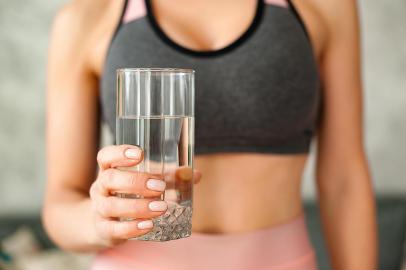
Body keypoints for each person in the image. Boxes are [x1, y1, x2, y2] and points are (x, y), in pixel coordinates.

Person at [43, 0, 377, 269]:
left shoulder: (327, 6)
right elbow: (60, 203)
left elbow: (344, 178)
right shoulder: (87, 16)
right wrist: (97, 220)